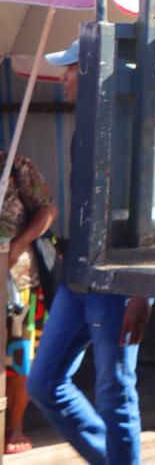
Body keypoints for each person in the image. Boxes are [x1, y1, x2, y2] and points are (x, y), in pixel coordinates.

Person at [26, 40, 152, 465]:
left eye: (71, 69)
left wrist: (143, 292)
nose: (62, 78)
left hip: (116, 282)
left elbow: (149, 222)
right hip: (77, 277)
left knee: (115, 390)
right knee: (43, 383)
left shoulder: (130, 131)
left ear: (96, 73)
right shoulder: (86, 127)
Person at [1, 146, 58, 454]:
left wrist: (19, 243)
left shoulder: (15, 166)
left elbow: (48, 210)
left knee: (18, 357)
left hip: (16, 282)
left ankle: (14, 427)